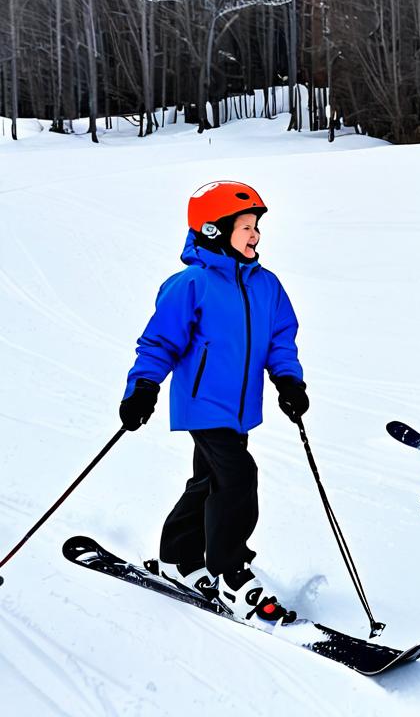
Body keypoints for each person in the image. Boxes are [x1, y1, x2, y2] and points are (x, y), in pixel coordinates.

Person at [118, 181, 309, 625]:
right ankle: (230, 572)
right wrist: (143, 387)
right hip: (203, 404)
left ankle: (178, 556)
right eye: (245, 227)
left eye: (256, 227)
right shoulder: (192, 284)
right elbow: (159, 342)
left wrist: (289, 382)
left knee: (209, 482)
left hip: (241, 410)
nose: (255, 235)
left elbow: (281, 340)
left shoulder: (266, 285)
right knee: (238, 477)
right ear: (212, 231)